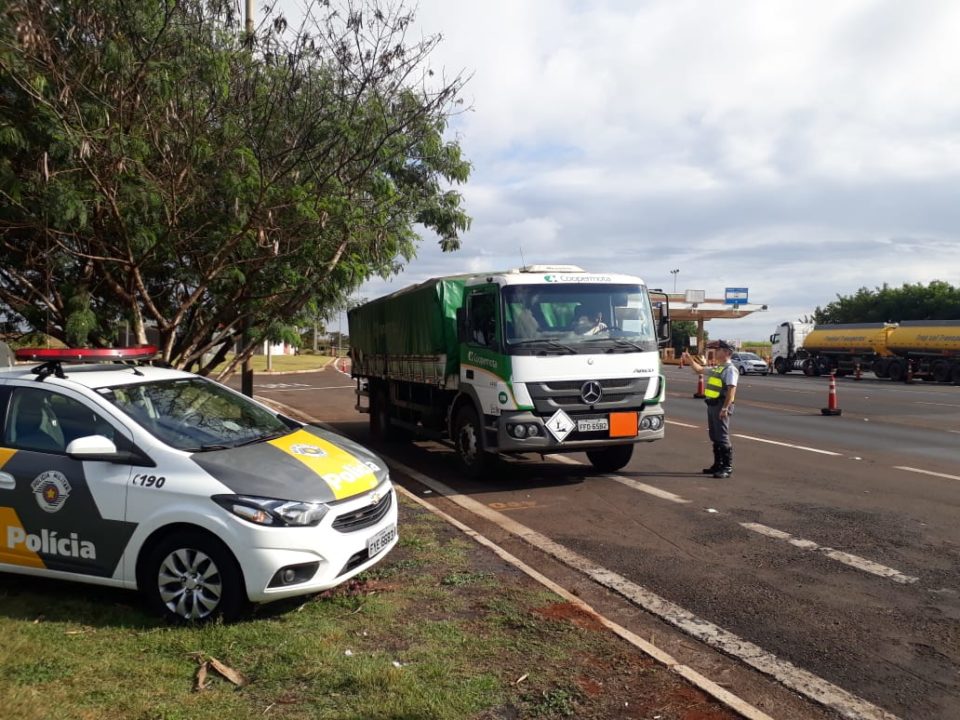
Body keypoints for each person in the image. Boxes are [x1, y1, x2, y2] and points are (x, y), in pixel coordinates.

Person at [681, 340, 739, 478]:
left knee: (722, 436)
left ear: (726, 352)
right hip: (713, 405)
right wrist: (689, 360)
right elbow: (699, 369)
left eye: (719, 350)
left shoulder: (730, 369)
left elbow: (731, 390)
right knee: (714, 435)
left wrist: (725, 408)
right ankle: (717, 465)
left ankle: (726, 467)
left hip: (721, 405)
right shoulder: (719, 368)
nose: (716, 352)